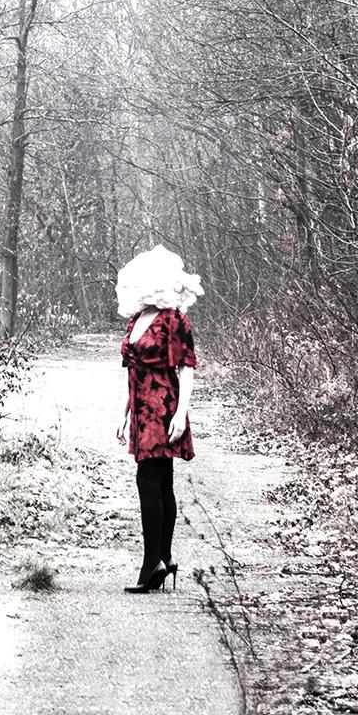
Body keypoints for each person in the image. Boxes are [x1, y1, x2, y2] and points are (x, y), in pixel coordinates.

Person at [114, 243, 202, 594]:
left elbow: (187, 369)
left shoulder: (174, 319)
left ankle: (152, 564)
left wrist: (181, 412)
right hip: (141, 408)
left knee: (149, 480)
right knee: (161, 481)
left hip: (163, 407)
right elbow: (128, 370)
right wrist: (122, 413)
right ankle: (163, 559)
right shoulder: (138, 320)